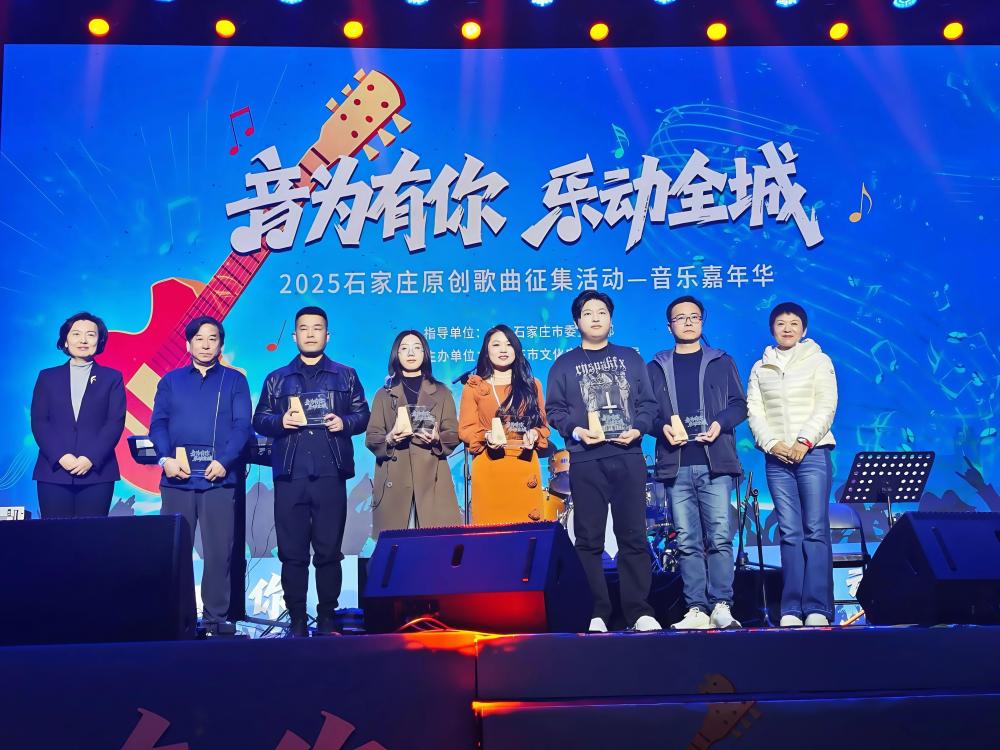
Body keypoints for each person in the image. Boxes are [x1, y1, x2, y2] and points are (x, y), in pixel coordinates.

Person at [546, 291, 661, 633]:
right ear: (576, 322)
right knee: (588, 539)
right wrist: (577, 431)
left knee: (633, 536)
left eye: (601, 312)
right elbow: (555, 410)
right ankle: (595, 612)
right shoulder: (564, 364)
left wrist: (638, 428)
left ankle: (638, 611)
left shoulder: (631, 358)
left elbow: (648, 404)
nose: (595, 318)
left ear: (611, 319)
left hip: (627, 455)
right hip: (585, 460)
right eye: (588, 313)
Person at [253, 306, 370, 637]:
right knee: (292, 553)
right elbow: (259, 419)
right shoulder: (277, 378)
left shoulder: (346, 375)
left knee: (329, 551)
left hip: (330, 473)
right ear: (294, 336)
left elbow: (363, 415)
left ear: (327, 335)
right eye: (304, 328)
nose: (310, 334)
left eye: (317, 328)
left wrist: (343, 422)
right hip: (291, 475)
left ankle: (328, 618)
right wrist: (281, 421)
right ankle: (297, 620)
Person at [647, 296, 747, 630]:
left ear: (702, 322)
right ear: (669, 326)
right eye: (681, 317)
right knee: (687, 540)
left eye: (694, 316)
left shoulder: (721, 361)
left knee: (719, 536)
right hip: (676, 464)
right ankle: (696, 609)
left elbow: (739, 405)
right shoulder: (656, 367)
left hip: (714, 462)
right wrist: (661, 428)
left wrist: (720, 423)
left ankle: (721, 604)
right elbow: (645, 413)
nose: (688, 322)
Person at [150, 316, 252, 632]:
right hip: (176, 479)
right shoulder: (170, 381)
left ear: (221, 344)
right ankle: (175, 618)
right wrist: (165, 459)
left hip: (218, 479)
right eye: (199, 339)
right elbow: (158, 424)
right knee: (175, 551)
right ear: (188, 344)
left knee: (219, 551)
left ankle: (215, 619)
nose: (206, 345)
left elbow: (242, 426)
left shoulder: (235, 381)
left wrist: (225, 461)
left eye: (212, 339)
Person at [747, 302, 838, 628]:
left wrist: (804, 441)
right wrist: (772, 444)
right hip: (777, 458)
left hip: (812, 454)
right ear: (772, 329)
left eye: (794, 323)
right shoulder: (761, 367)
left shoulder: (819, 361)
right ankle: (791, 608)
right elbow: (754, 411)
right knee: (789, 532)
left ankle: (817, 607)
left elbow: (826, 404)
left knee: (815, 530)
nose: (787, 328)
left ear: (804, 329)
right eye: (781, 323)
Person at [30, 312, 125, 518]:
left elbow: (114, 423)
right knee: (55, 534)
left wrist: (90, 458)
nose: (83, 340)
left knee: (91, 535)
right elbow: (40, 422)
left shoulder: (112, 378)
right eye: (76, 334)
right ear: (65, 340)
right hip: (53, 471)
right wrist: (61, 456)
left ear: (99, 341)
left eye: (90, 334)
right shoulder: (47, 377)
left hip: (97, 473)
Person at [365, 330, 461, 534]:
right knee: (396, 546)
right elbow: (372, 437)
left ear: (425, 354)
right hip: (394, 477)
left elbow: (453, 434)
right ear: (396, 354)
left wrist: (438, 439)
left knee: (435, 545)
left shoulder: (442, 392)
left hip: (432, 477)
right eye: (404, 348)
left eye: (417, 348)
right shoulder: (384, 394)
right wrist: (390, 438)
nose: (411, 353)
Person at [458, 324, 550, 524]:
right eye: (496, 344)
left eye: (509, 344)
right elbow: (465, 429)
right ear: (486, 351)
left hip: (524, 463)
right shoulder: (474, 387)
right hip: (490, 464)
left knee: (526, 537)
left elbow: (543, 426)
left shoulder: (532, 385)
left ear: (516, 349)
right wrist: (486, 435)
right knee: (491, 535)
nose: (503, 350)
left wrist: (535, 434)